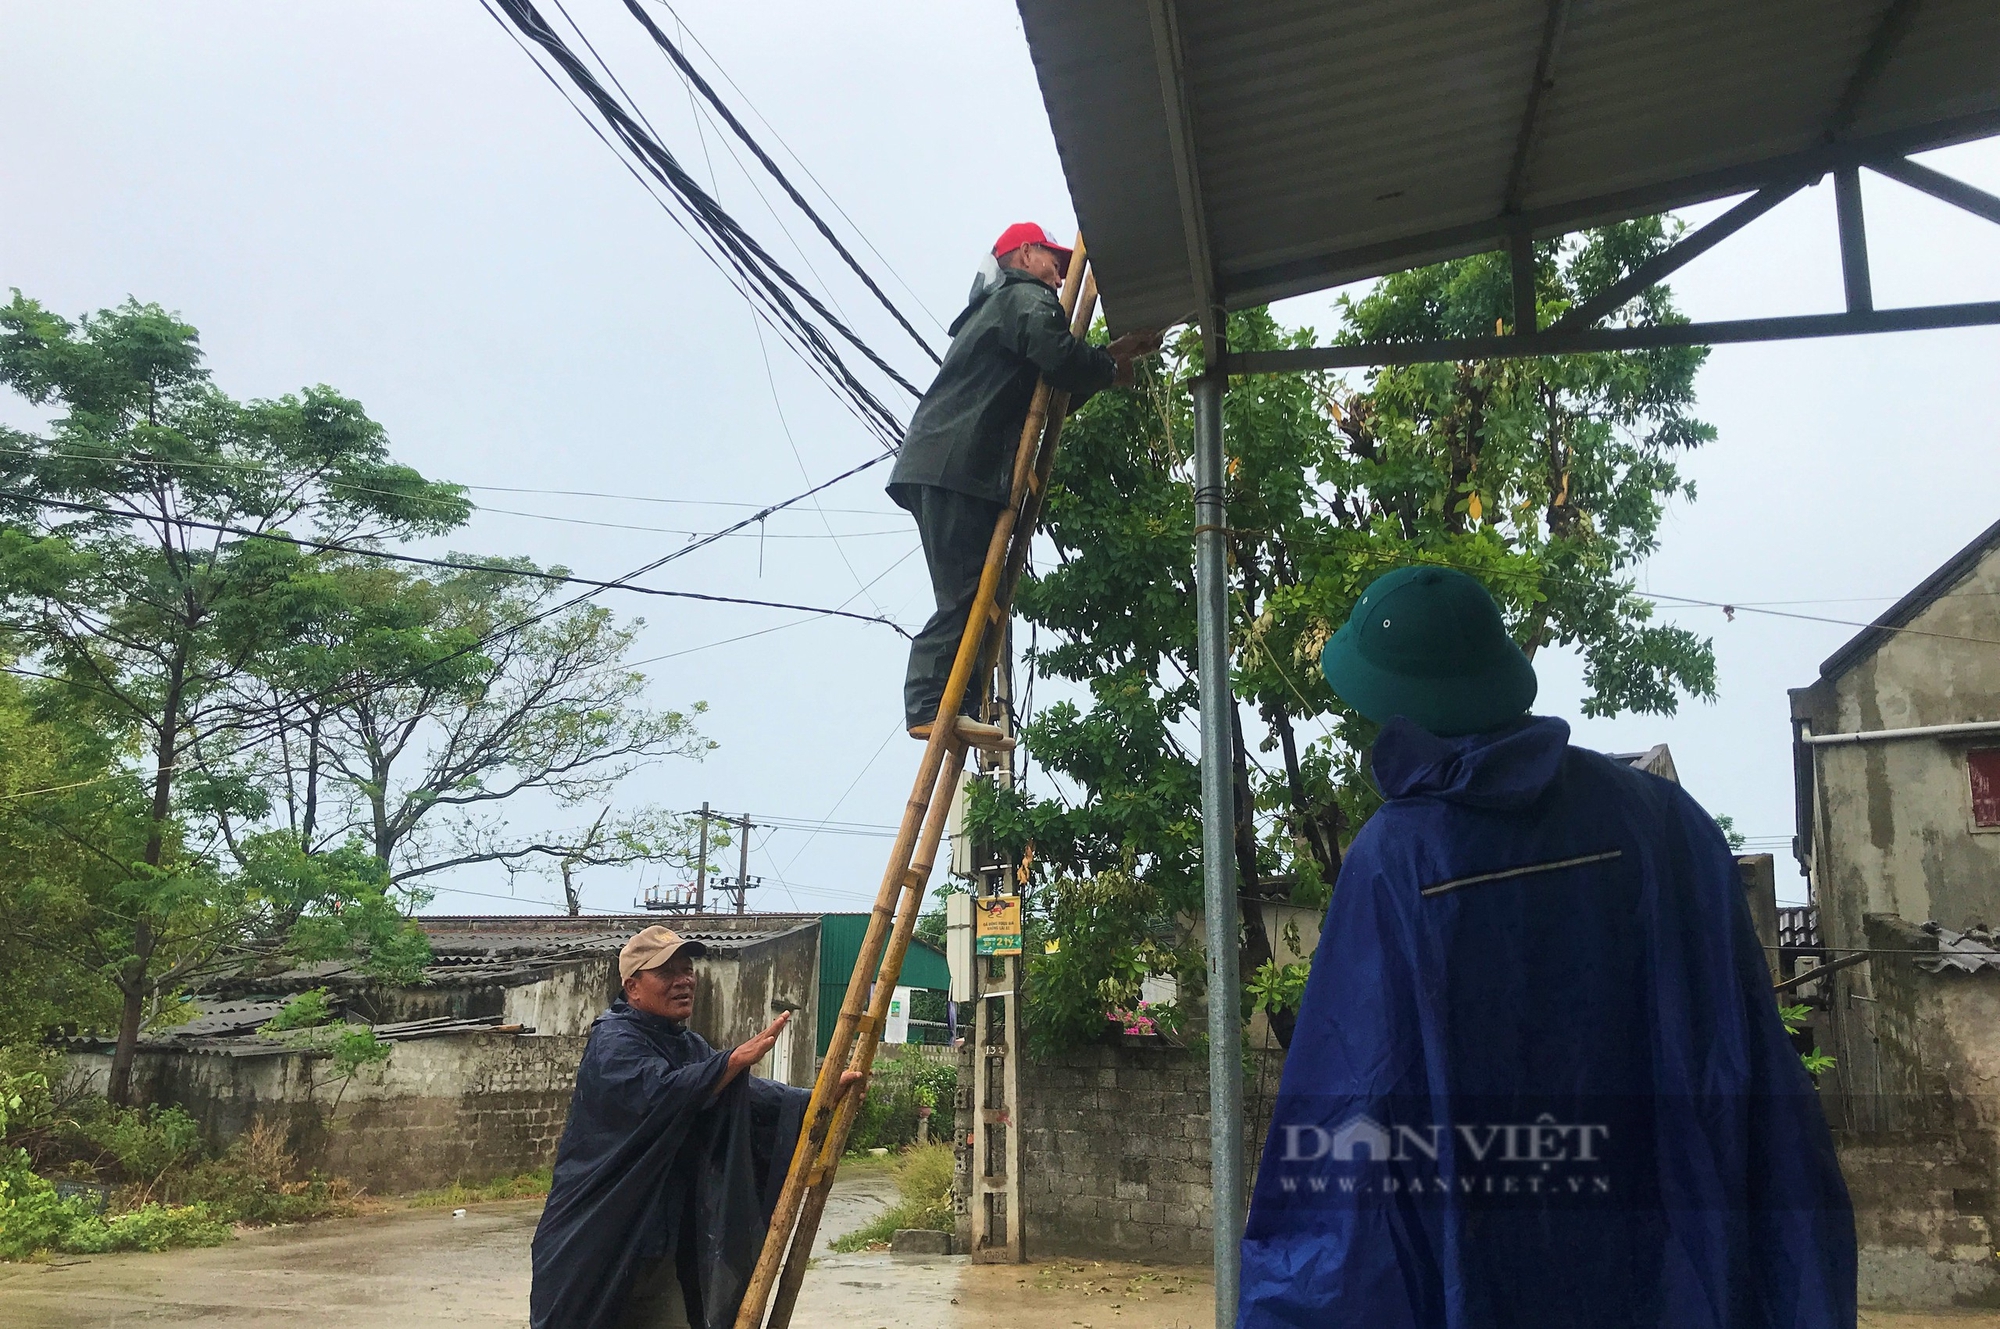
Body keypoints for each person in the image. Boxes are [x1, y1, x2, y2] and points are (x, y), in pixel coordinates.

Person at [1237, 565, 1855, 1329]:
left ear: (1396, 706)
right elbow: (1754, 1076)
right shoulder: (1662, 823)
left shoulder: (1398, 861)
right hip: (1677, 1272)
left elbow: (1347, 1129)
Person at [889, 222, 1160, 748]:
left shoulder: (1000, 309)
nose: (1060, 273)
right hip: (958, 464)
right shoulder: (1024, 297)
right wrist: (1107, 364)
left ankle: (955, 708)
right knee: (967, 595)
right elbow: (1058, 356)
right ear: (1023, 254)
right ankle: (928, 704)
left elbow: (1048, 393)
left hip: (950, 462)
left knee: (973, 596)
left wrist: (1111, 358)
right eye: (1051, 258)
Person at [529, 925, 862, 1329]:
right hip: (600, 1237)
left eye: (687, 970)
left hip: (661, 1241)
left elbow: (745, 1097)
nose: (684, 981)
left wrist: (816, 1101)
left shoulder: (686, 1045)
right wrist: (730, 1062)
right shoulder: (614, 1043)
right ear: (633, 988)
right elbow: (660, 1093)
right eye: (667, 973)